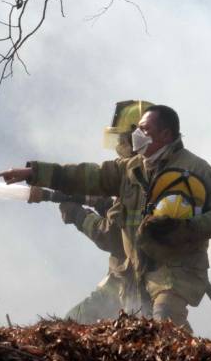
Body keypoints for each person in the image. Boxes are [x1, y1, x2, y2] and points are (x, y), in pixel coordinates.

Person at [0, 104, 211, 329]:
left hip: (175, 271)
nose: (137, 136)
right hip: (132, 271)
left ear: (165, 134)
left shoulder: (196, 170)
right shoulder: (130, 169)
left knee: (164, 321)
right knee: (83, 323)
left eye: (144, 130)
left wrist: (184, 228)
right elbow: (87, 175)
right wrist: (34, 173)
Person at [54, 100, 154, 323]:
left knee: (75, 323)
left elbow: (113, 237)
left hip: (137, 283)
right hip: (121, 277)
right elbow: (121, 212)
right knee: (74, 321)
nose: (119, 148)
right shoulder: (136, 175)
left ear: (136, 139)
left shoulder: (144, 178)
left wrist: (77, 215)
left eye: (122, 141)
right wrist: (93, 200)